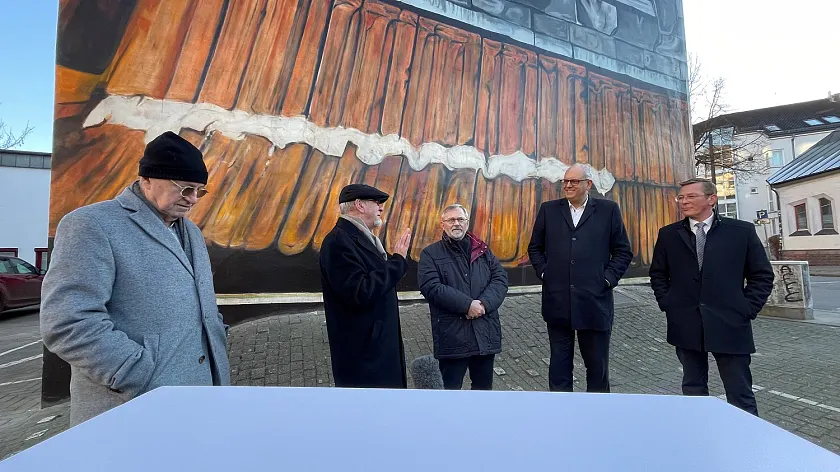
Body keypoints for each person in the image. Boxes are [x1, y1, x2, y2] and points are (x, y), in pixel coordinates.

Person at [40, 131, 231, 426]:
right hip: (131, 406)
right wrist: (135, 371)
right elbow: (66, 321)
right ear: (147, 179)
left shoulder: (191, 232)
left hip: (201, 396)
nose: (193, 199)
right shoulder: (91, 225)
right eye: (185, 189)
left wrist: (216, 337)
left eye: (199, 191)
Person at [649, 178, 773, 415]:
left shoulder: (741, 231)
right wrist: (668, 303)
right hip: (686, 323)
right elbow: (658, 274)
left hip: (730, 322)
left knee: (739, 392)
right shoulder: (669, 234)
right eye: (681, 197)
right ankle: (699, 432)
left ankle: (745, 434)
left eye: (691, 196)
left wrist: (747, 307)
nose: (684, 201)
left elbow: (761, 275)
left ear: (711, 199)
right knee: (693, 389)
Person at [527, 164, 633, 393]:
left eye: (574, 181)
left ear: (588, 184)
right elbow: (535, 247)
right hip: (558, 301)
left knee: (597, 366)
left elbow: (623, 251)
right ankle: (561, 409)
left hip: (594, 302)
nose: (568, 185)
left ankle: (597, 409)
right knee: (559, 365)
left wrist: (607, 279)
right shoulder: (549, 210)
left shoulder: (608, 210)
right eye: (565, 181)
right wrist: (545, 272)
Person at [319, 184, 412, 388]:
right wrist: (397, 262)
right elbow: (360, 292)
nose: (381, 207)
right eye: (377, 202)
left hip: (376, 348)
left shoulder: (359, 237)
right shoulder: (338, 242)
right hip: (364, 357)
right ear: (359, 205)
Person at [418, 204, 509, 390]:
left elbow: (500, 278)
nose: (456, 223)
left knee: (483, 392)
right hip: (453, 336)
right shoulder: (430, 254)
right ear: (442, 224)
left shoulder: (482, 250)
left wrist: (483, 304)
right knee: (450, 392)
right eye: (451, 220)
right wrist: (467, 305)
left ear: (467, 223)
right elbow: (431, 287)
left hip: (484, 333)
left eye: (461, 219)